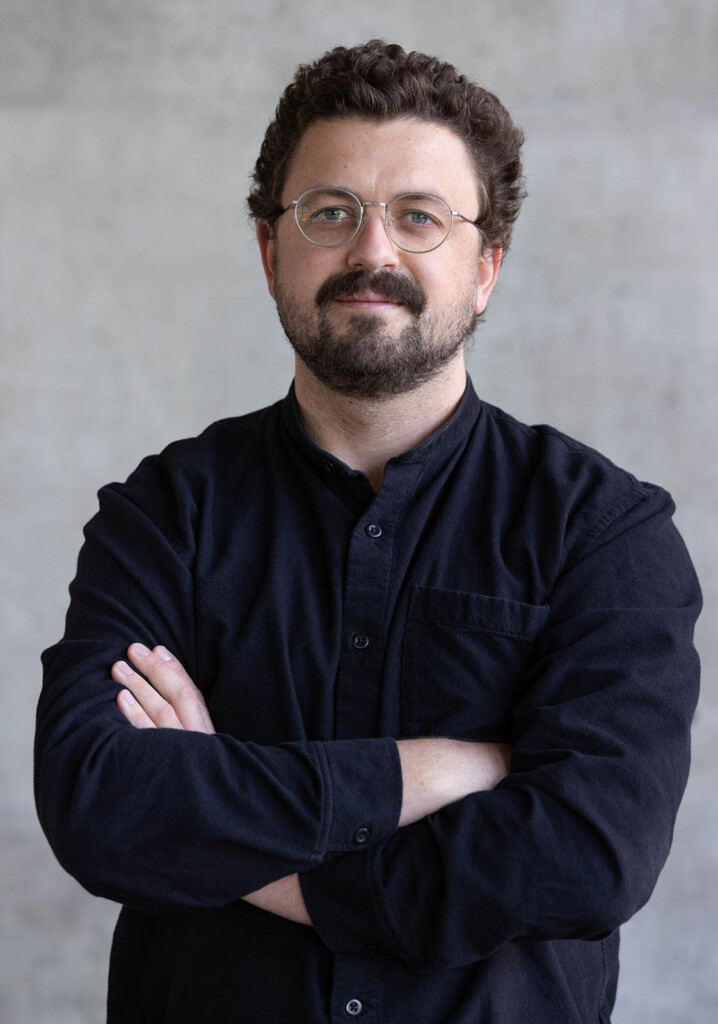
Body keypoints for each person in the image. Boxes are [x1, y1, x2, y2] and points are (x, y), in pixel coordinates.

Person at [35, 40, 701, 1024]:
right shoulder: (163, 515)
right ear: (271, 251)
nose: (372, 253)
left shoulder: (601, 533)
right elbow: (99, 801)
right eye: (330, 212)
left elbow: (588, 855)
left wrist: (245, 836)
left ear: (487, 267)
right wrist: (441, 769)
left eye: (419, 218)